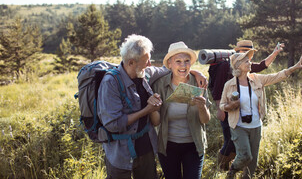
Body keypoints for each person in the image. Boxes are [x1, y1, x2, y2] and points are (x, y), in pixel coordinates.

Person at [97, 35, 207, 179]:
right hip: (121, 152)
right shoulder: (110, 83)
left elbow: (171, 69)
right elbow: (113, 124)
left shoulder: (145, 74)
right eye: (146, 60)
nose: (150, 64)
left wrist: (195, 72)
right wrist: (146, 111)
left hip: (146, 148)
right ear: (131, 62)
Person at [220, 50, 302, 179]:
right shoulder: (230, 85)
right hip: (238, 126)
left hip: (256, 125)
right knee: (245, 156)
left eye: (249, 60)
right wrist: (230, 106)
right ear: (237, 65)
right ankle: (232, 170)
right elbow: (222, 105)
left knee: (253, 162)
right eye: (246, 61)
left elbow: (277, 76)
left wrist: (293, 68)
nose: (249, 63)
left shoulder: (257, 79)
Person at [209, 40, 284, 170]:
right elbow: (217, 89)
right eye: (244, 52)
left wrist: (275, 52)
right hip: (227, 109)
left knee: (237, 142)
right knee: (229, 140)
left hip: (241, 112)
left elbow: (262, 65)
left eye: (249, 55)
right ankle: (221, 167)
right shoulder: (225, 66)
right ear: (237, 52)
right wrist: (220, 109)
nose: (248, 57)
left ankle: (234, 166)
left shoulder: (245, 66)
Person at [152, 41, 211, 179]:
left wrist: (202, 107)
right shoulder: (160, 85)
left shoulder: (199, 83)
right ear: (170, 64)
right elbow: (155, 122)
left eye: (186, 61)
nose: (183, 65)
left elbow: (205, 120)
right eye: (178, 61)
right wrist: (153, 108)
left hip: (194, 145)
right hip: (168, 147)